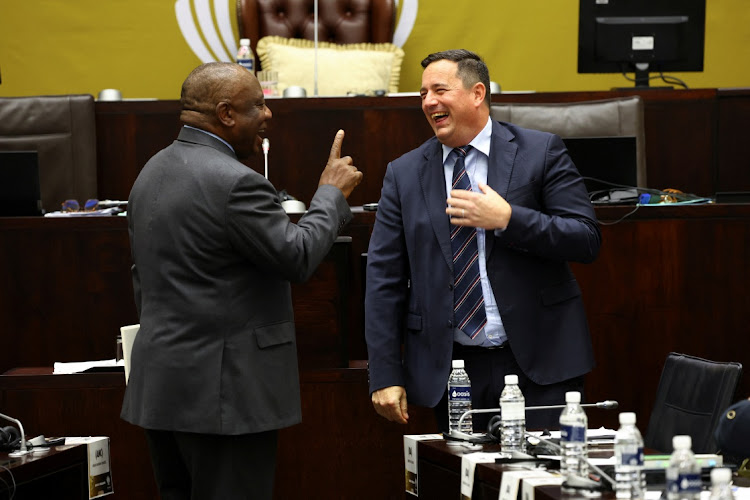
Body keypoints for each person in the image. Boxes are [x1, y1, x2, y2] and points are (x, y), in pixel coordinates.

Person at [120, 62, 362, 499]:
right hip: (224, 396)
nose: (268, 115)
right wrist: (330, 194)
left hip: (161, 390)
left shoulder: (149, 173)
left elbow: (142, 280)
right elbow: (297, 256)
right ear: (226, 113)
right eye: (259, 105)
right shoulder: (236, 183)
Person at [364, 49, 601, 433]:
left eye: (439, 90)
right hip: (454, 372)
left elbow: (585, 239)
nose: (428, 102)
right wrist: (385, 373)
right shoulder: (404, 173)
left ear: (477, 93)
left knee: (542, 488)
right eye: (422, 94)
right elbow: (383, 279)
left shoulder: (540, 152)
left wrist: (508, 219)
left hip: (540, 364)